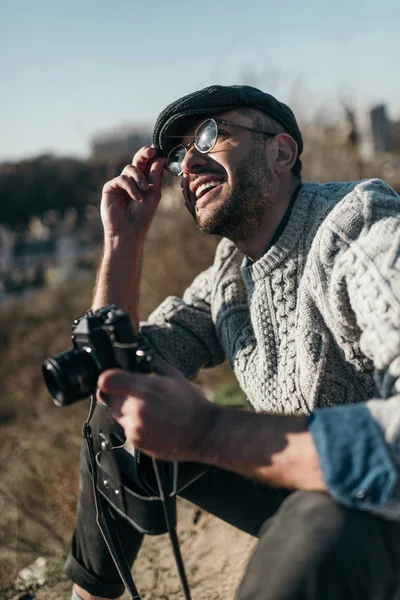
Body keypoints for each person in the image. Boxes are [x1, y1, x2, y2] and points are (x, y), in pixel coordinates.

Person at [66, 85, 400, 600]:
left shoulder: (357, 226)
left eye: (208, 135)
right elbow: (119, 367)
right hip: (292, 488)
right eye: (179, 156)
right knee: (124, 405)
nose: (190, 163)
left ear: (281, 152)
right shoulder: (230, 272)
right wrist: (122, 242)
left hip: (377, 509)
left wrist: (209, 428)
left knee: (326, 517)